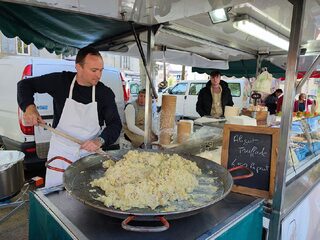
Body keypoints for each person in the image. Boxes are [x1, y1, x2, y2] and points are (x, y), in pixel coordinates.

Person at [17, 46, 122, 188]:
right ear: (78, 67)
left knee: (85, 193)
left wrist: (99, 141)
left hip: (88, 154)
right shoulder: (61, 82)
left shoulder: (104, 93)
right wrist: (29, 108)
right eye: (94, 70)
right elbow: (24, 85)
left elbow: (115, 124)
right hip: (61, 151)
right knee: (56, 194)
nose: (98, 75)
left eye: (101, 70)